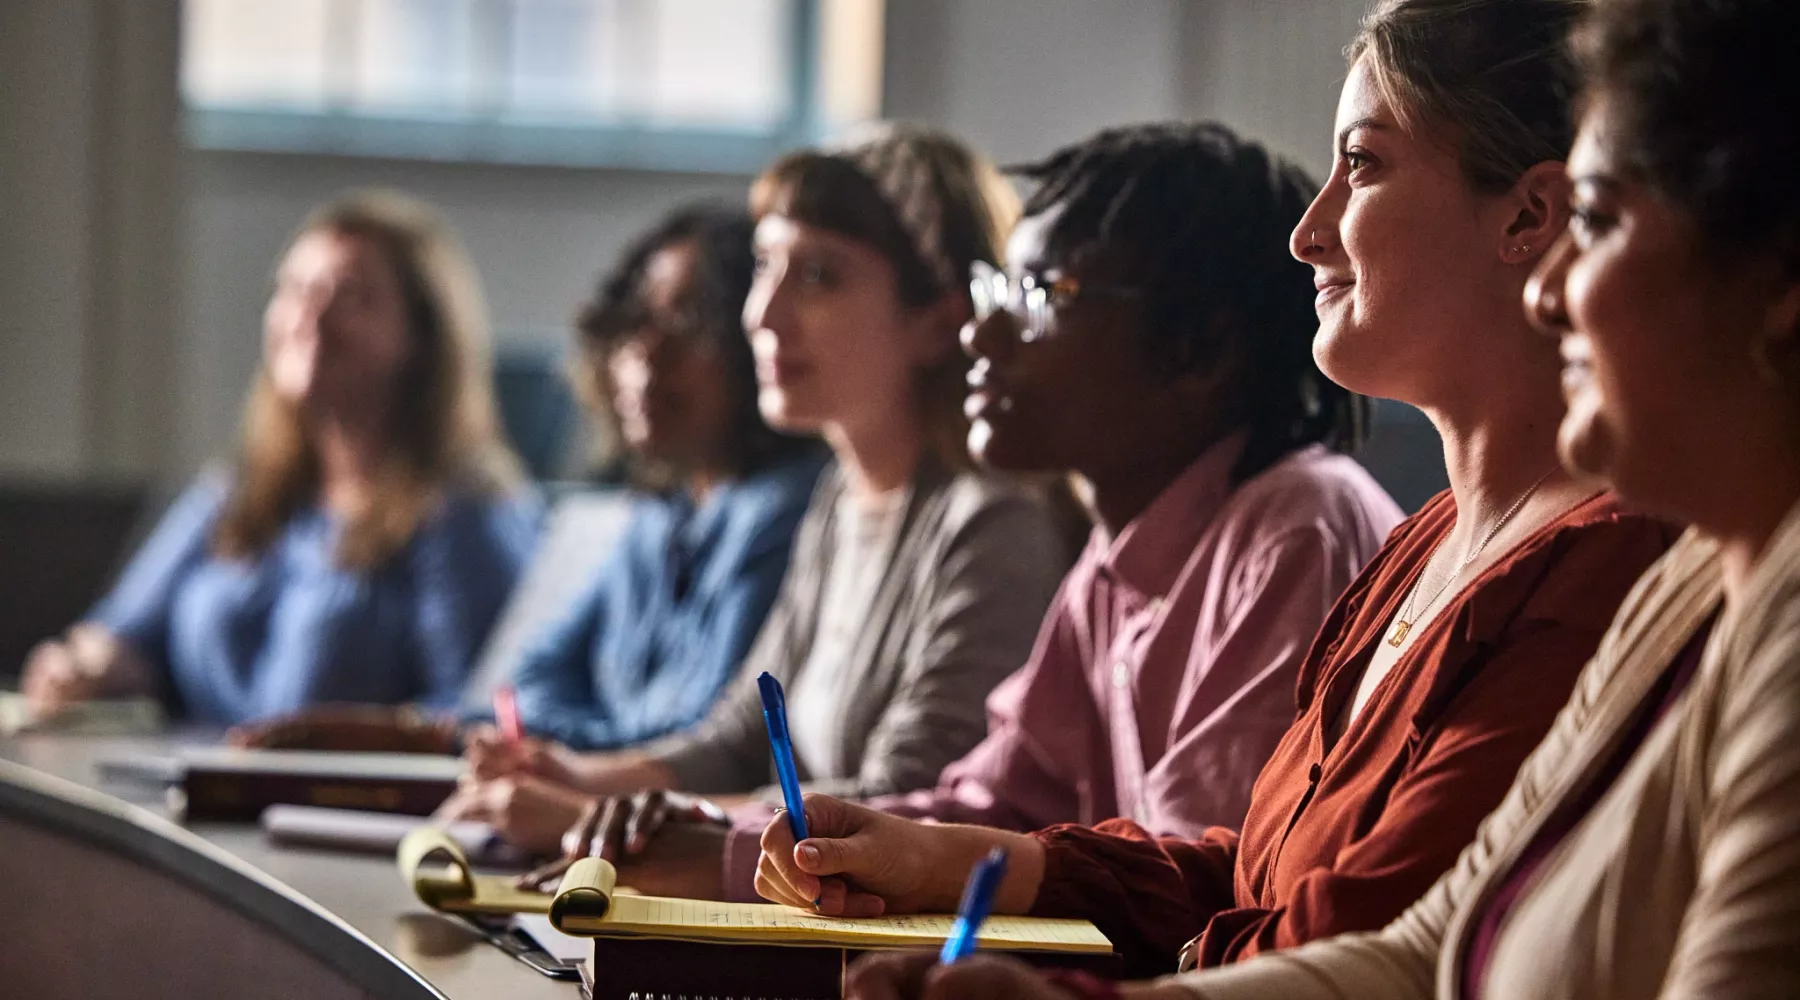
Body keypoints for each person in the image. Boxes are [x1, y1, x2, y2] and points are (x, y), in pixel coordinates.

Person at [846, 0, 1800, 996]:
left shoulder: (1609, 565)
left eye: (1367, 164)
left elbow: (1355, 928)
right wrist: (960, 862)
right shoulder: (1451, 548)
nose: (1308, 235)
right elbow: (1380, 926)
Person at [558, 122, 1405, 903]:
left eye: (1040, 296)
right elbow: (996, 799)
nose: (981, 334)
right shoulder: (1116, 563)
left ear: (1201, 350)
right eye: (999, 287)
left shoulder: (1292, 528)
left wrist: (739, 853)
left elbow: (1200, 873)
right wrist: (742, 840)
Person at [435, 125, 1071, 884]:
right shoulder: (839, 497)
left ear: (938, 323)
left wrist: (596, 823)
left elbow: (905, 804)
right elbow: (740, 734)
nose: (762, 314)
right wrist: (581, 776)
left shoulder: (993, 523)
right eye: (767, 267)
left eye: (819, 277)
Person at [229, 206, 828, 754]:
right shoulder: (656, 514)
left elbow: (703, 742)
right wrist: (543, 740)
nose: (644, 351)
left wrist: (539, 746)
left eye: (689, 323)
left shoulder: (781, 511)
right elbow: (524, 684)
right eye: (634, 322)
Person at [21, 192, 540, 726]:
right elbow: (124, 634)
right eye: (296, 291)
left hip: (349, 804)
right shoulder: (241, 490)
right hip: (190, 793)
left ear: (423, 337)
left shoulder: (464, 513)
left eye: (352, 296)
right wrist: (83, 667)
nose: (311, 316)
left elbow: (483, 714)